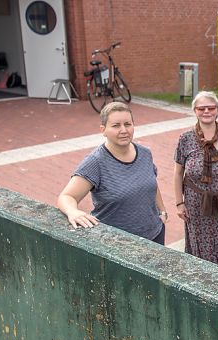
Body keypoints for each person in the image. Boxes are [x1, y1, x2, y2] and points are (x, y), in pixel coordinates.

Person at [57, 101, 168, 244]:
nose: (123, 130)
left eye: (127, 124)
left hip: (155, 235)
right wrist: (73, 212)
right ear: (103, 130)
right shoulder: (95, 162)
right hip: (118, 243)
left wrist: (162, 211)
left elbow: (151, 183)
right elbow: (66, 196)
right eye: (116, 126)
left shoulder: (145, 153)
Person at [173, 92, 218, 267]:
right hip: (195, 202)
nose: (206, 111)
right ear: (195, 111)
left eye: (211, 107)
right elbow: (177, 173)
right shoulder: (186, 139)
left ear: (217, 110)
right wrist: (179, 203)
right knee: (200, 243)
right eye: (201, 108)